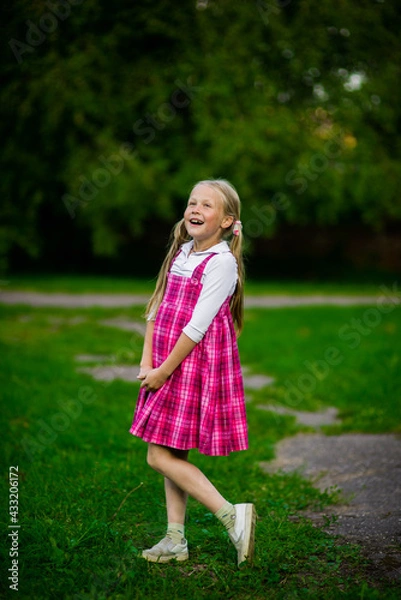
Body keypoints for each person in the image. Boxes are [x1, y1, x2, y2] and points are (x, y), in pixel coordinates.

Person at [129, 178, 255, 567]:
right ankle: (175, 538)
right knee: (171, 448)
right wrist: (147, 360)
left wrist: (165, 371)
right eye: (191, 202)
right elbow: (156, 307)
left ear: (226, 220)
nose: (195, 209)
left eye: (206, 205)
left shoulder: (221, 263)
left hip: (187, 365)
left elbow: (197, 328)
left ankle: (233, 516)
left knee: (157, 456)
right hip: (164, 362)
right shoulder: (182, 252)